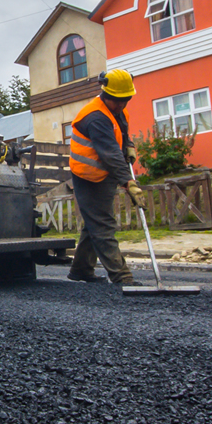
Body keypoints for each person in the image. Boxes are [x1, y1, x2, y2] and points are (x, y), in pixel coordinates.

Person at [66, 69, 145, 286]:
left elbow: (122, 134)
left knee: (94, 222)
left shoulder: (119, 111)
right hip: (88, 176)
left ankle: (81, 269)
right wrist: (130, 183)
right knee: (102, 224)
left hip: (105, 173)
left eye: (126, 101)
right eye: (118, 101)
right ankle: (122, 277)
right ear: (106, 95)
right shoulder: (95, 117)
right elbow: (109, 153)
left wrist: (129, 146)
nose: (122, 105)